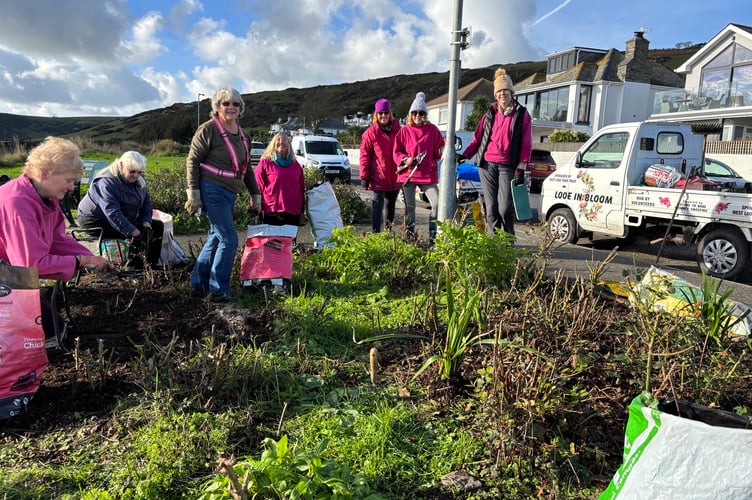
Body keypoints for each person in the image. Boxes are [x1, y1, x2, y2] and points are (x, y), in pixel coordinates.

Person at [0, 136, 109, 340]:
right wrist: (80, 261)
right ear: (44, 173)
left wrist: (91, 258)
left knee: (54, 327)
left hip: (9, 270)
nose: (70, 187)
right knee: (52, 332)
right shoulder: (17, 204)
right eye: (68, 181)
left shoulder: (46, 198)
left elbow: (57, 240)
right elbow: (30, 266)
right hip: (9, 274)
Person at [185, 86, 262, 303]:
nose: (231, 107)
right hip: (212, 188)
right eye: (225, 103)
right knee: (229, 239)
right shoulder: (208, 129)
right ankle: (218, 289)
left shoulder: (243, 135)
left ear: (241, 108)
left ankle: (198, 284)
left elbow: (246, 169)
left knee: (216, 237)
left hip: (230, 192)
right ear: (217, 106)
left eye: (235, 104)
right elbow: (192, 161)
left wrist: (255, 195)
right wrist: (193, 194)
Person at [460, 68, 532, 236]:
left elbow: (526, 142)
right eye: (499, 91)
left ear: (511, 92)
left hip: (508, 165)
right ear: (495, 94)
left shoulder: (521, 114)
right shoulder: (490, 113)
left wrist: (521, 167)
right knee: (491, 208)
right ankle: (493, 243)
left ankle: (507, 243)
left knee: (505, 207)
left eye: (505, 90)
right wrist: (464, 155)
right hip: (487, 165)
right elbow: (477, 139)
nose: (502, 94)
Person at [77, 151, 164, 269]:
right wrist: (132, 231)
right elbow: (112, 212)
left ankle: (151, 265)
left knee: (156, 227)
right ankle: (133, 267)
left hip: (120, 215)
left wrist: (146, 221)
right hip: (95, 219)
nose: (136, 175)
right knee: (137, 233)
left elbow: (146, 203)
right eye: (132, 171)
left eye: (139, 172)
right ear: (121, 166)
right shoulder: (106, 182)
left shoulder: (138, 179)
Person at [393, 92, 444, 240]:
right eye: (414, 112)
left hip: (428, 175)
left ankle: (434, 237)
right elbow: (396, 151)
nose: (417, 115)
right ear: (410, 114)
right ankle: (409, 238)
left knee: (437, 203)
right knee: (410, 209)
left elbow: (437, 153)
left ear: (425, 114)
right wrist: (405, 159)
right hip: (408, 175)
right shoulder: (404, 131)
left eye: (421, 113)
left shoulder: (433, 130)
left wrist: (444, 146)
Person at [360, 98, 401, 233]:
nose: (383, 116)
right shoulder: (370, 133)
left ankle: (388, 233)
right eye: (380, 113)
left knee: (391, 205)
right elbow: (364, 155)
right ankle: (376, 234)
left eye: (386, 113)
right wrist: (364, 176)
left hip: (395, 176)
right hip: (378, 176)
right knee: (377, 205)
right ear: (376, 115)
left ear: (390, 113)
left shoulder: (399, 131)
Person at [254, 132, 306, 226]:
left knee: (289, 240)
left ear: (289, 144)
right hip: (272, 210)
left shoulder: (296, 165)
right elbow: (257, 186)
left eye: (284, 140)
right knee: (273, 240)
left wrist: (302, 211)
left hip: (293, 211)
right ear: (273, 144)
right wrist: (256, 209)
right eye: (278, 140)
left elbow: (301, 189)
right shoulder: (265, 162)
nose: (281, 142)